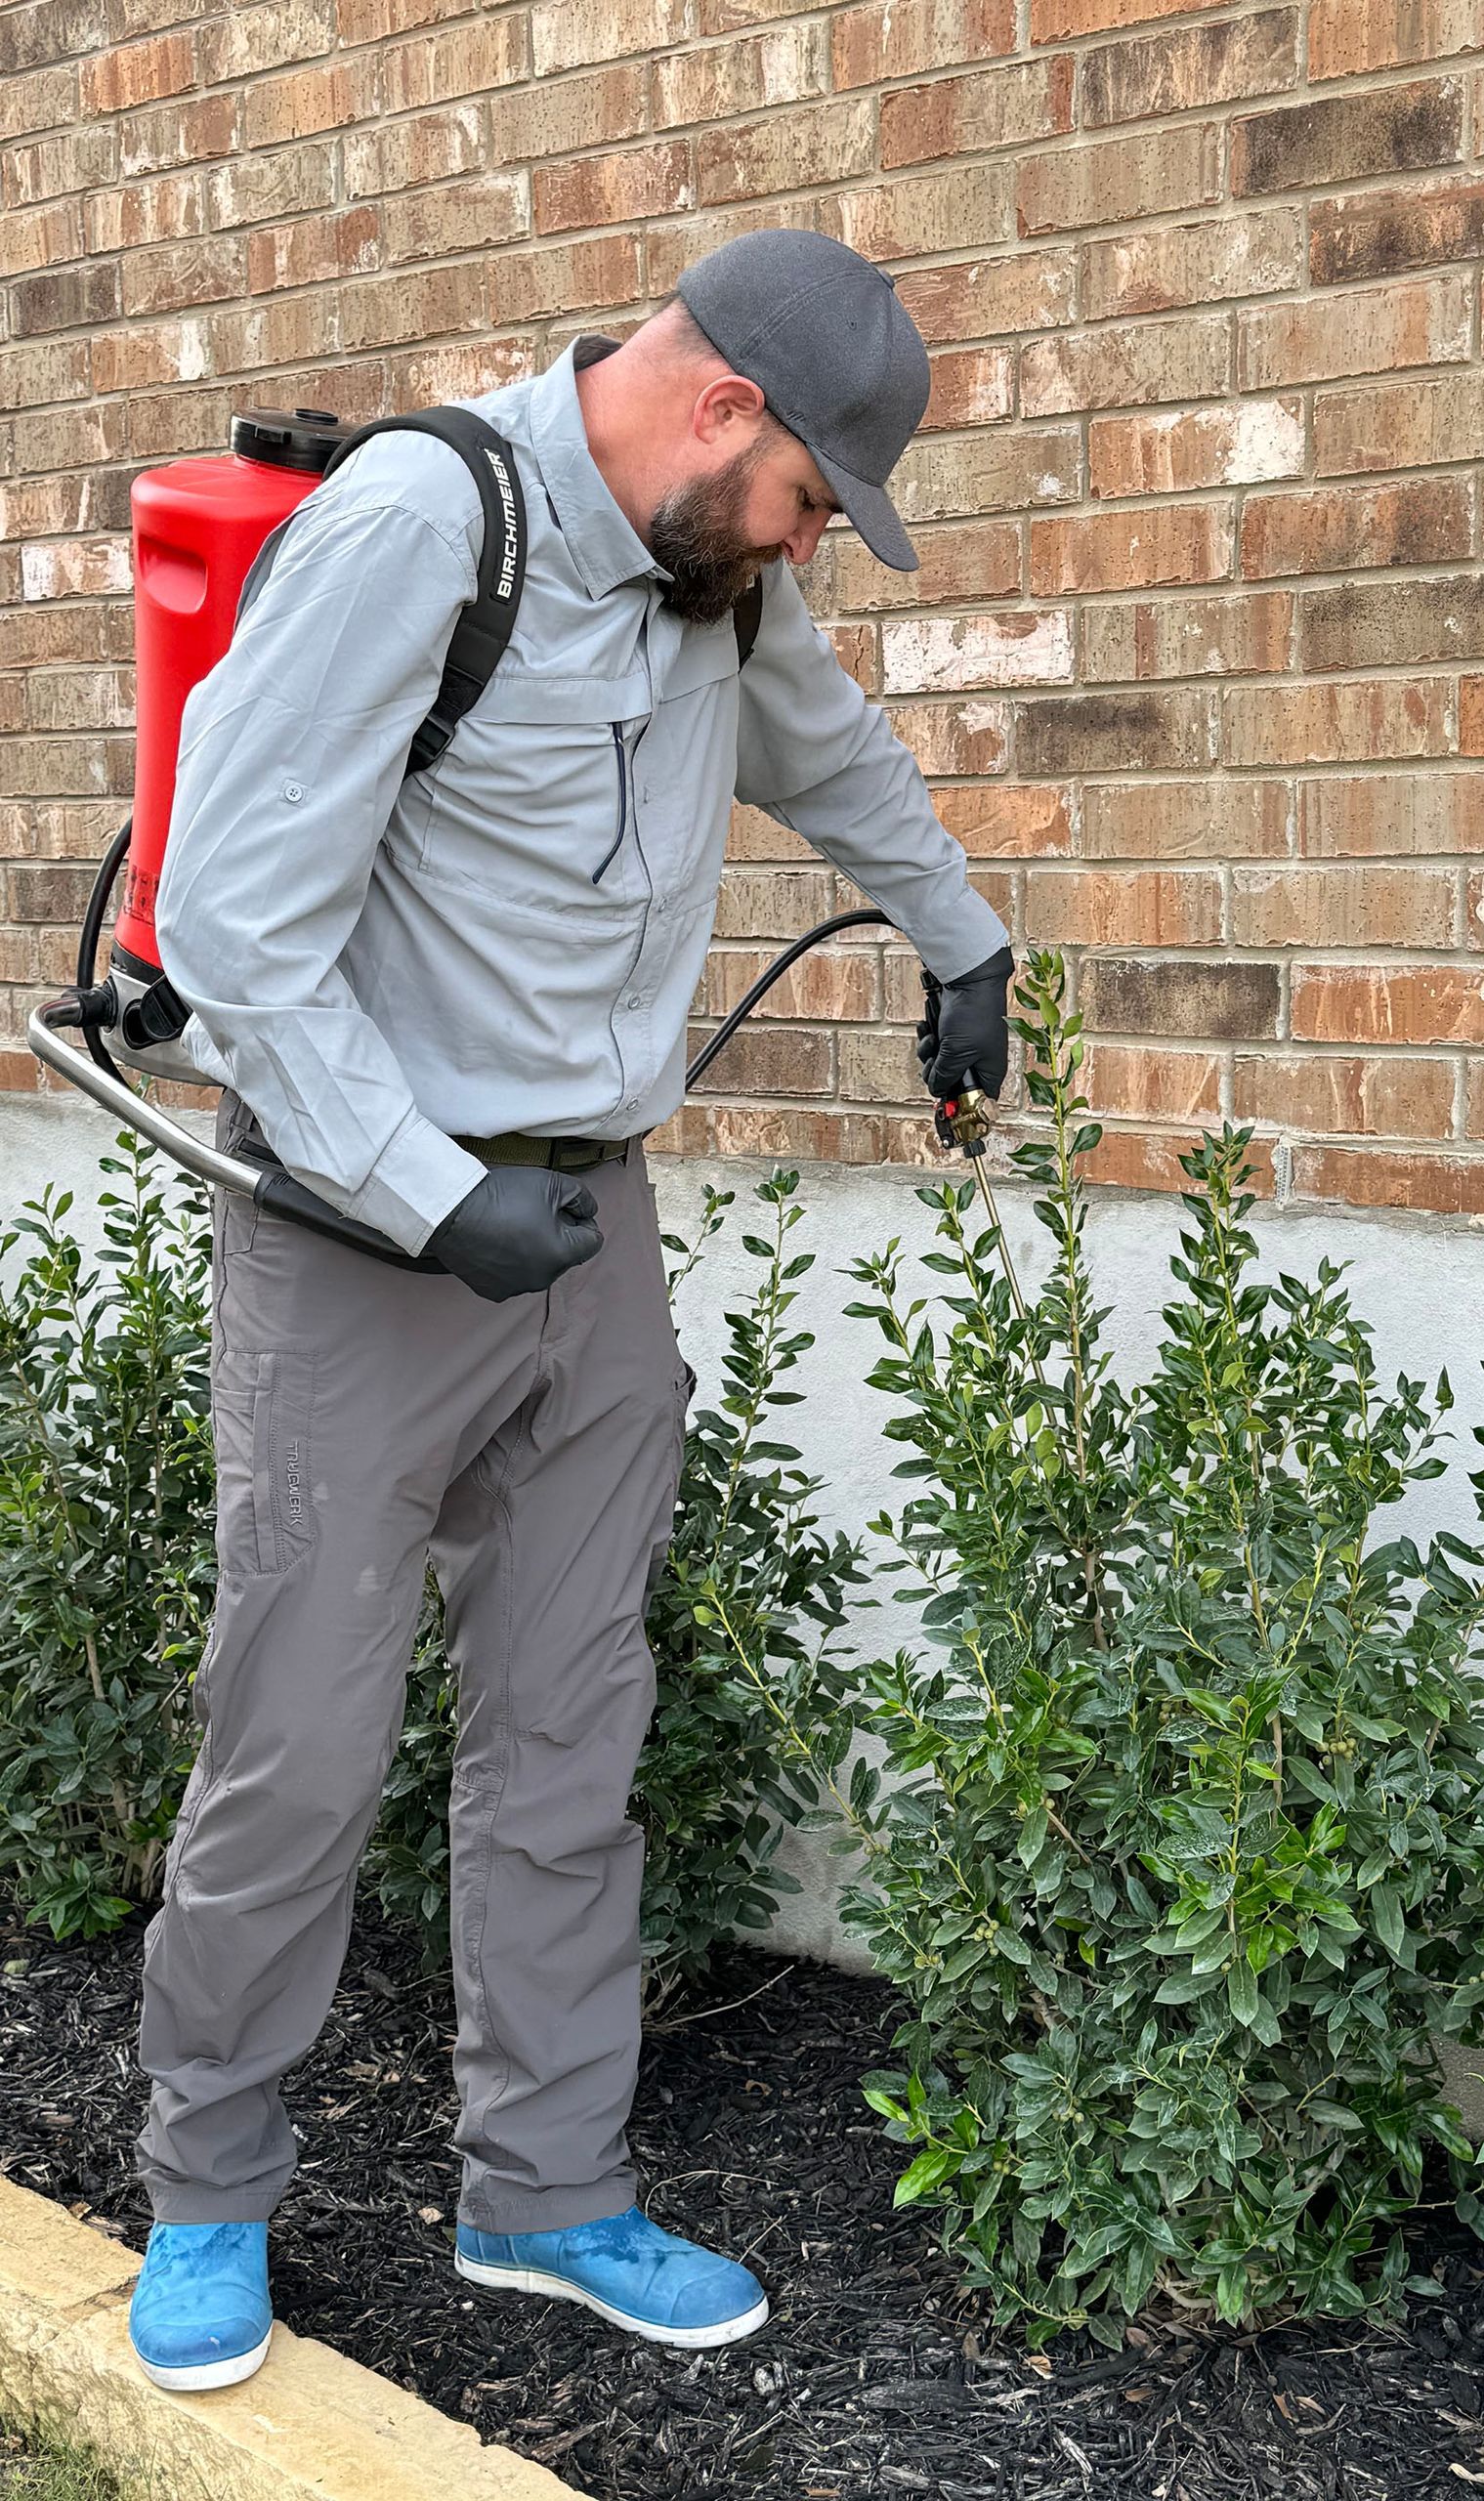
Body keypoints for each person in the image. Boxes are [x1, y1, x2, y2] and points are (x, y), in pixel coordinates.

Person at [125, 227, 1015, 2392]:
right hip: (362, 1241)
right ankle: (207, 2193)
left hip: (586, 1241)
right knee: (301, 1744)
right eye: (816, 493)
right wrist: (430, 1199)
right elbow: (240, 919)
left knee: (567, 1733)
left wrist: (961, 937)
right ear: (725, 411)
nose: (813, 543)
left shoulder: (719, 579)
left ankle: (545, 2188)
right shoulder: (429, 526)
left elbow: (838, 755)